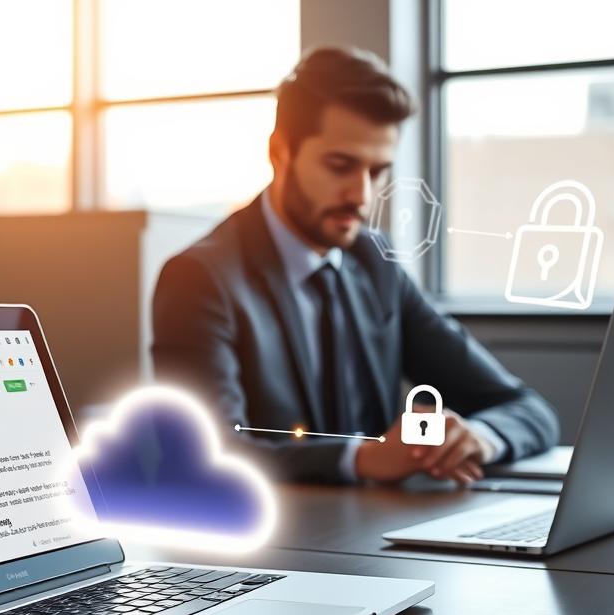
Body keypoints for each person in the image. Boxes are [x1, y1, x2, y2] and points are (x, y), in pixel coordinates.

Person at [151, 46, 558, 486]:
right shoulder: (200, 279)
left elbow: (528, 409)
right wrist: (360, 458)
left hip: (380, 531)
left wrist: (478, 437)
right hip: (271, 540)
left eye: (377, 171)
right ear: (279, 152)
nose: (362, 196)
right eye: (340, 166)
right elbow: (204, 453)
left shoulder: (375, 264)